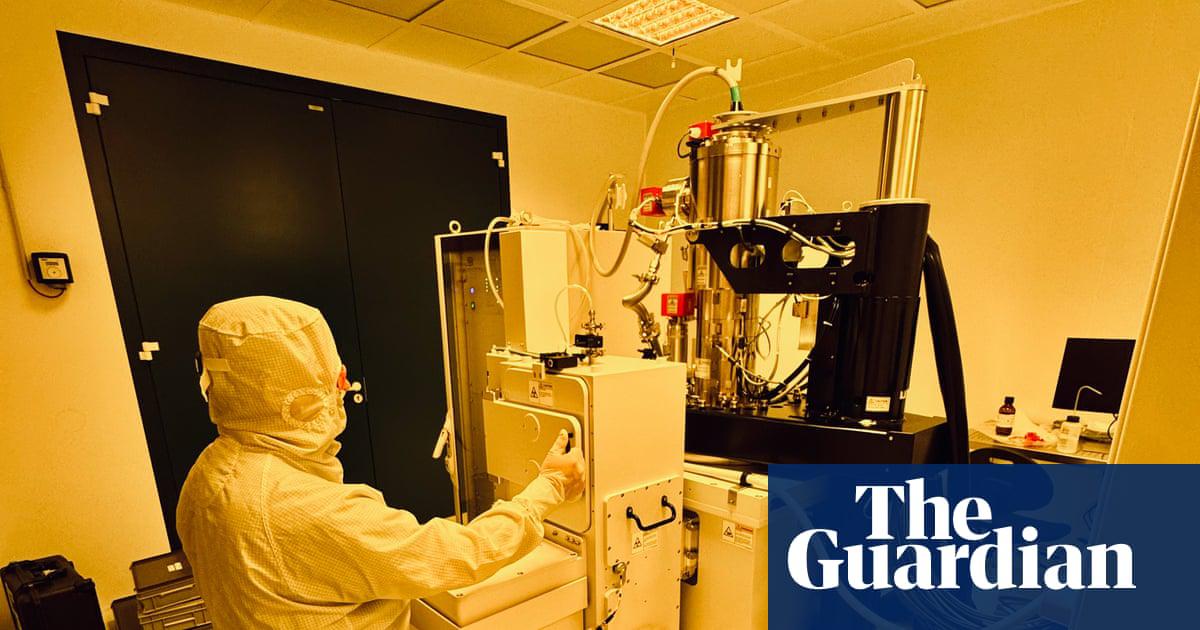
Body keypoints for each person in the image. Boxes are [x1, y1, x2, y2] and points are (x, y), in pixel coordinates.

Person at [176, 296, 585, 628]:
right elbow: (460, 554)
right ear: (297, 392)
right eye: (332, 374)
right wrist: (549, 488)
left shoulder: (207, 475)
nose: (344, 382)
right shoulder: (313, 510)